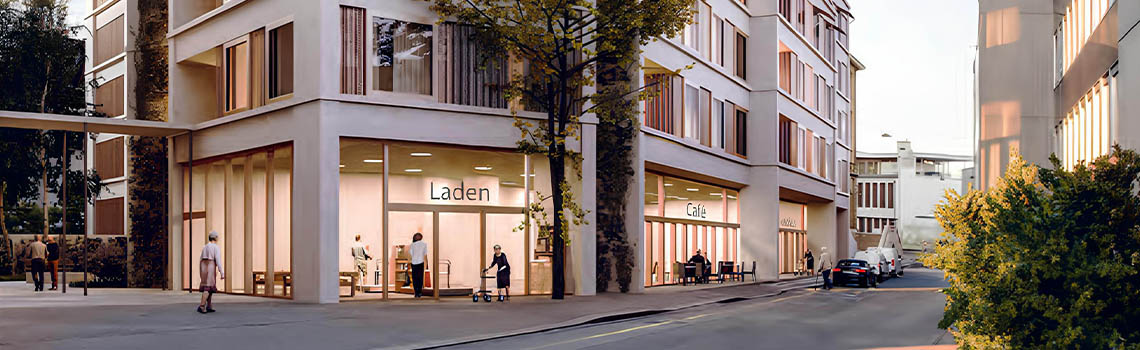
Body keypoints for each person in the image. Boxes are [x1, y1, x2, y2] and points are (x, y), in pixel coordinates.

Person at [198, 231, 224, 314]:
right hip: (211, 266)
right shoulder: (215, 247)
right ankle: (202, 306)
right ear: (215, 238)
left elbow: (201, 259)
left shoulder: (205, 247)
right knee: (208, 287)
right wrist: (221, 272)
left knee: (208, 287)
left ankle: (209, 305)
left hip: (203, 267)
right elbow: (218, 260)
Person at [409, 233, 428, 298]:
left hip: (414, 262)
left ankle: (416, 292)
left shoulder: (412, 245)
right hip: (420, 262)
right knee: (420, 277)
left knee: (415, 278)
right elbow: (425, 253)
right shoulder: (424, 244)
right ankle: (419, 292)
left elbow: (411, 253)